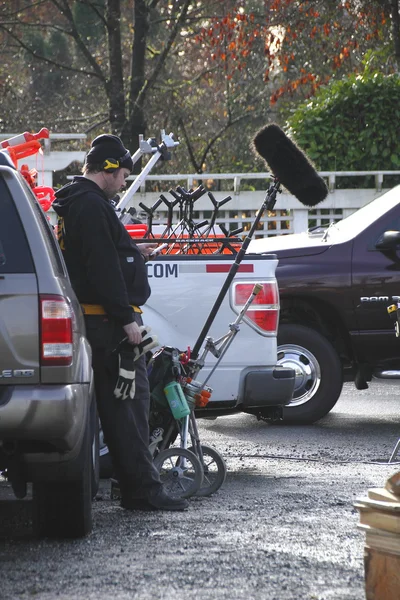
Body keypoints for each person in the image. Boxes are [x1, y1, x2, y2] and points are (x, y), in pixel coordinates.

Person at [53, 133, 188, 511]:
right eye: (124, 173)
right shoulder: (93, 206)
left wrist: (131, 250)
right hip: (110, 327)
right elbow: (101, 269)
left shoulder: (77, 202)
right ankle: (142, 491)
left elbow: (95, 255)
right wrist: (126, 320)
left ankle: (135, 487)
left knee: (119, 408)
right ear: (108, 169)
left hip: (98, 322)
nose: (125, 181)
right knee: (130, 407)